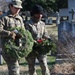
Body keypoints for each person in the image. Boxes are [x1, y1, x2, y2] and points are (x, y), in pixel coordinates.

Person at [0, 0, 25, 75]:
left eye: (19, 8)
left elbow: (23, 31)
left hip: (17, 47)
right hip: (8, 47)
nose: (18, 10)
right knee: (14, 69)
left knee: (14, 69)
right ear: (11, 6)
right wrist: (9, 33)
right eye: (16, 8)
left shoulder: (20, 18)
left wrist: (22, 35)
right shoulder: (4, 17)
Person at [25, 4, 51, 75]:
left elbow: (45, 34)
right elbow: (27, 37)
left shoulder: (42, 24)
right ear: (33, 14)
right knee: (31, 68)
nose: (40, 16)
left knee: (44, 65)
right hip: (31, 49)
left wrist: (48, 39)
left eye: (41, 14)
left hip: (41, 48)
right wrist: (34, 42)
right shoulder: (28, 24)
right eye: (38, 14)